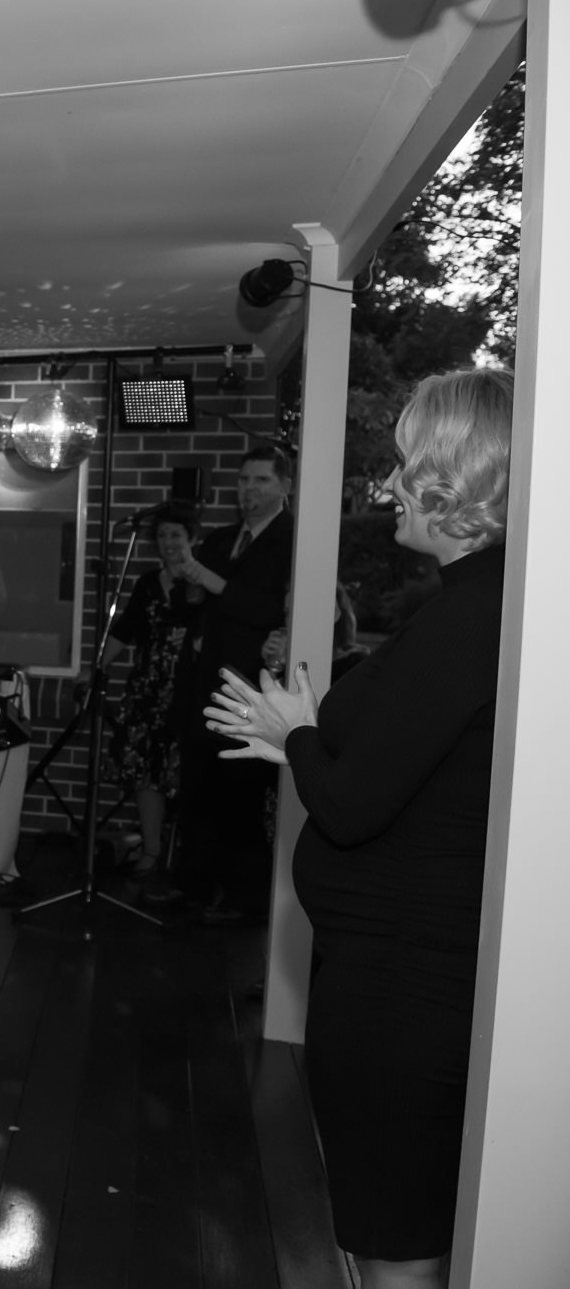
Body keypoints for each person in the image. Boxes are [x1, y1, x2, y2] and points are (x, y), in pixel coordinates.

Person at [205, 368, 511, 1289]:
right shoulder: (479, 602)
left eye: (406, 464)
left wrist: (297, 735)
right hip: (406, 975)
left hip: (404, 995)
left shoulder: (473, 613)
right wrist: (297, 735)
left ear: (460, 478)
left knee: (397, 1246)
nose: (386, 487)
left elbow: (351, 801)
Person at [175, 445, 295, 924]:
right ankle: (197, 887)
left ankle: (245, 900)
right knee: (199, 789)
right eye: (243, 481)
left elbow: (270, 610)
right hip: (207, 682)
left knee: (242, 796)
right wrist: (190, 582)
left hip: (255, 687)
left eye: (261, 481)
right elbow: (194, 611)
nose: (249, 490)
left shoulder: (295, 540)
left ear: (285, 486)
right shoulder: (221, 539)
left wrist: (215, 583)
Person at [105, 502, 205, 884]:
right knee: (147, 775)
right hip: (147, 688)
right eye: (161, 536)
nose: (168, 543)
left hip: (187, 692)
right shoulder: (148, 583)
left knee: (183, 773)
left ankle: (185, 859)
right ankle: (150, 850)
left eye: (176, 535)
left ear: (192, 538)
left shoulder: (204, 582)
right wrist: (96, 667)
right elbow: (126, 629)